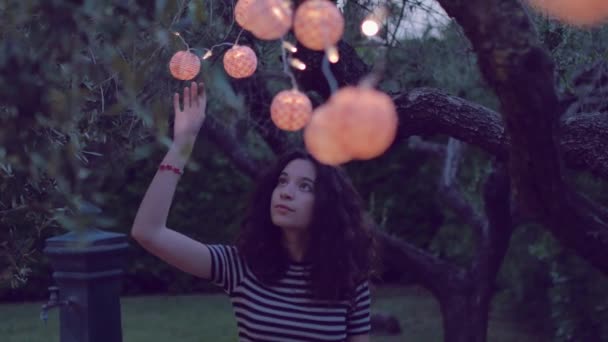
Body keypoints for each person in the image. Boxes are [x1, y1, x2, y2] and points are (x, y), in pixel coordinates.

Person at [131, 82, 378, 342]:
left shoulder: (349, 278)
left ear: (327, 204)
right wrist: (183, 143)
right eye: (282, 182)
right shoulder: (242, 266)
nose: (286, 192)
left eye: (304, 186)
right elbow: (148, 232)